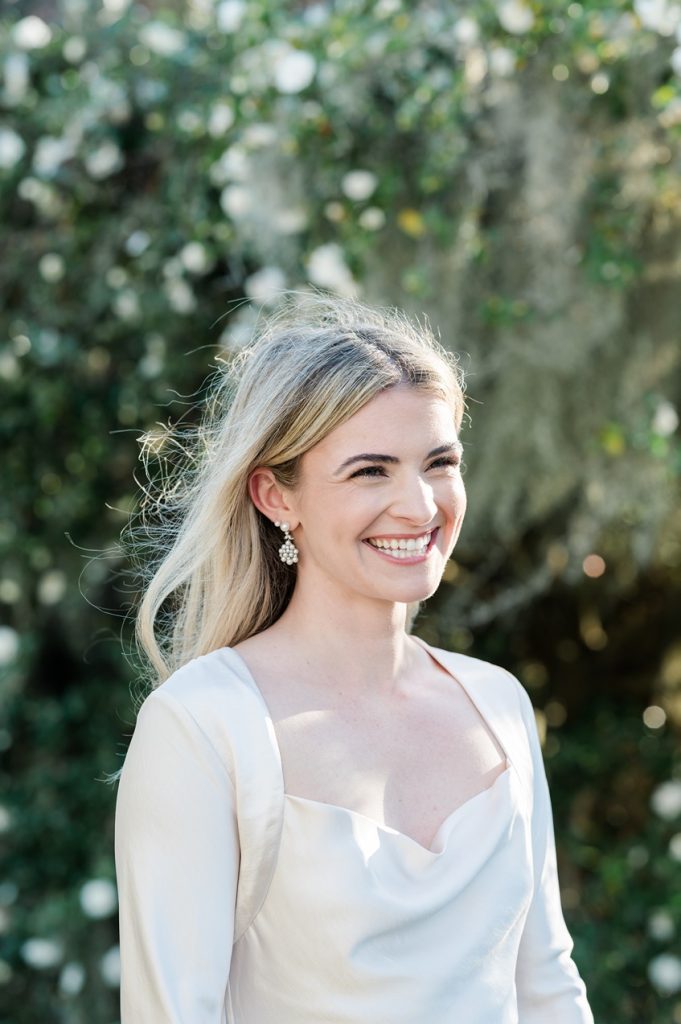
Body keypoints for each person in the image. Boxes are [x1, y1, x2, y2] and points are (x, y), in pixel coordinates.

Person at [114, 292, 594, 1023]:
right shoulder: (203, 725)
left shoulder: (496, 705)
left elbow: (548, 989)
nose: (419, 506)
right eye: (370, 471)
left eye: (439, 462)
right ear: (276, 495)